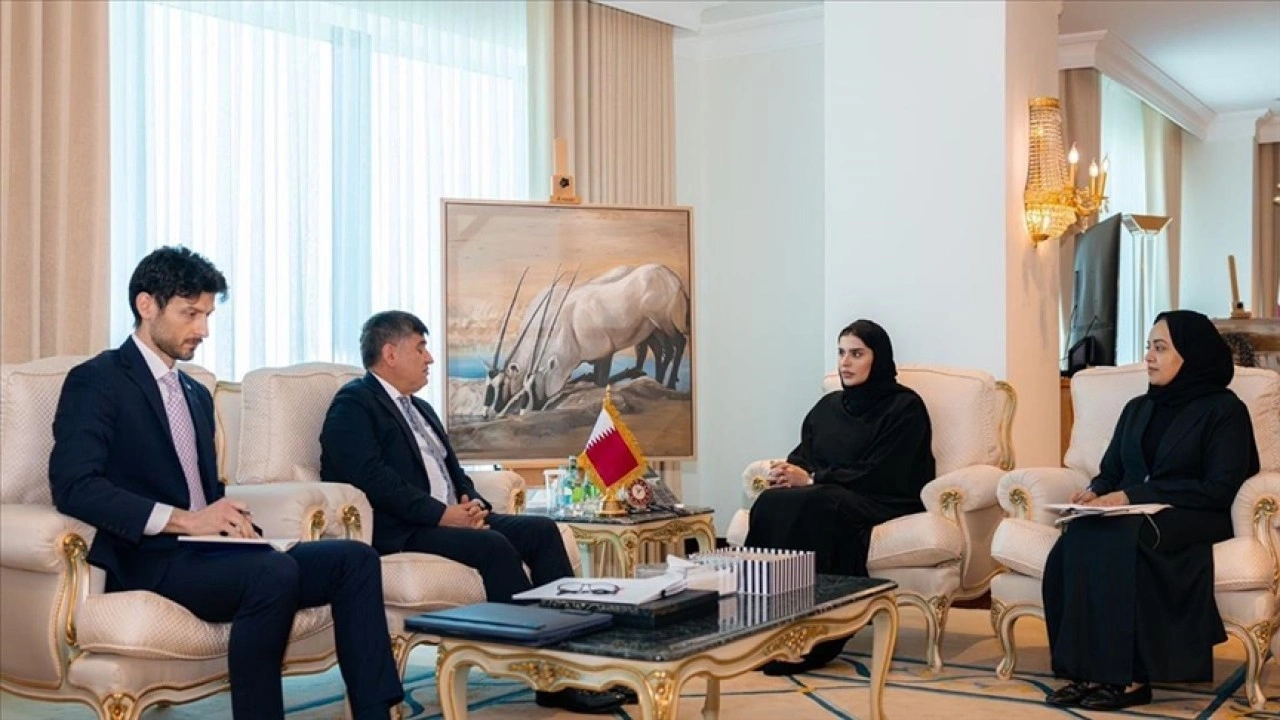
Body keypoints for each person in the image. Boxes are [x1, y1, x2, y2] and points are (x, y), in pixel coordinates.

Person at [49, 247, 404, 720]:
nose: (203, 330)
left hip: (215, 553)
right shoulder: (97, 381)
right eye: (190, 314)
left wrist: (238, 525)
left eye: (207, 315)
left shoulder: (196, 393)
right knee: (272, 573)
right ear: (146, 305)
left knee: (353, 559)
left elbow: (206, 491)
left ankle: (375, 714)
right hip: (150, 556)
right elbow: (74, 484)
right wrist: (186, 521)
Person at [319, 310, 627, 715]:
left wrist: (471, 502)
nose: (429, 358)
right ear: (390, 354)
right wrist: (441, 514)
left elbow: (453, 470)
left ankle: (573, 661)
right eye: (421, 348)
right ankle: (541, 669)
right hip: (405, 528)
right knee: (493, 545)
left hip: (451, 516)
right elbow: (373, 478)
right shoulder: (355, 404)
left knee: (542, 531)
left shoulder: (421, 409)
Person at [1043, 310, 1259, 710]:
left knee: (1123, 539)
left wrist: (1133, 496)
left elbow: (1219, 487)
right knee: (1078, 536)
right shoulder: (1137, 408)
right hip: (1135, 512)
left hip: (1195, 514)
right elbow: (1112, 471)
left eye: (1160, 348)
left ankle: (1130, 678)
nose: (1148, 357)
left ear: (1191, 355)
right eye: (1148, 347)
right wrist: (1093, 492)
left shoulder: (1224, 411)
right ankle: (1085, 669)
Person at [745, 319, 936, 674]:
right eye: (841, 352)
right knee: (772, 501)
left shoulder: (904, 407)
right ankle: (762, 629)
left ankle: (811, 637)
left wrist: (813, 479)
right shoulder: (828, 407)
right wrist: (787, 472)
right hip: (829, 493)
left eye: (857, 354)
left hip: (883, 496)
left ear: (879, 358)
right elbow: (804, 454)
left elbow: (886, 470)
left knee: (817, 503)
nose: (845, 362)